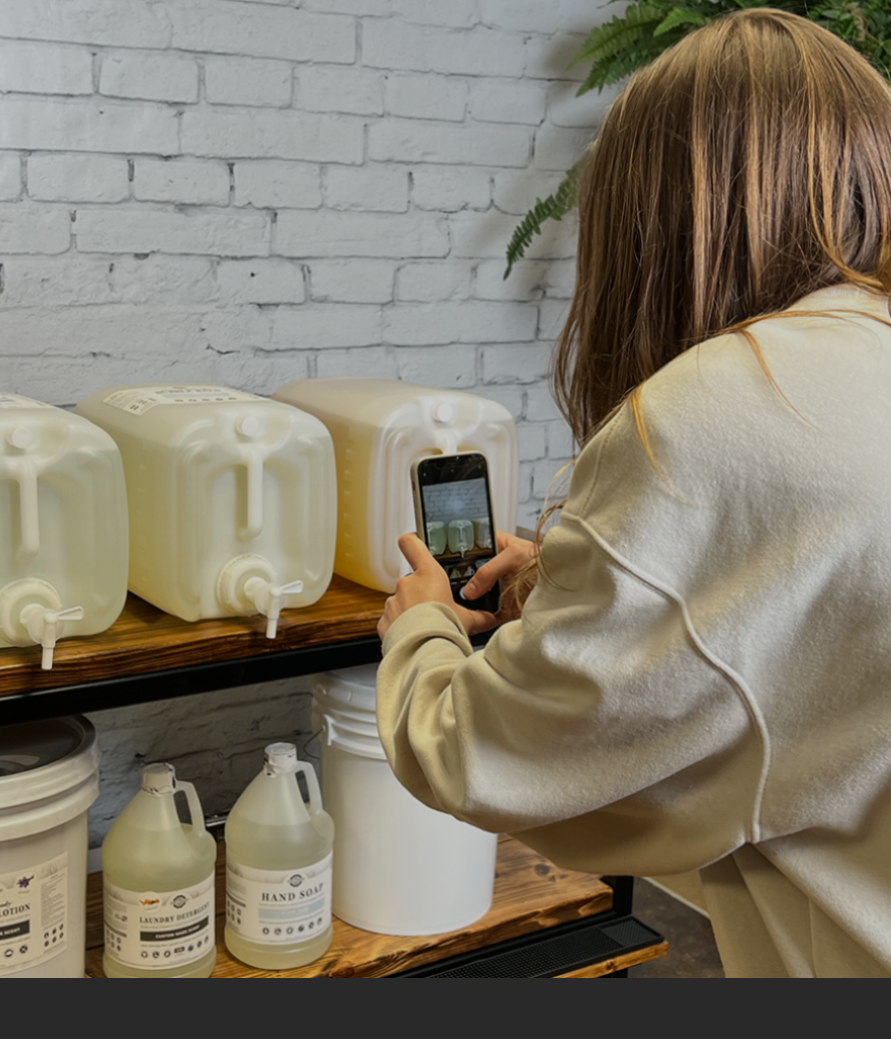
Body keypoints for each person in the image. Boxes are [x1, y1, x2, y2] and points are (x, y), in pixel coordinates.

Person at [374, 9, 891, 978]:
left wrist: (422, 628)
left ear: (657, 223)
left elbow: (482, 755)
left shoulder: (728, 407)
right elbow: (793, 655)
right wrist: (577, 578)